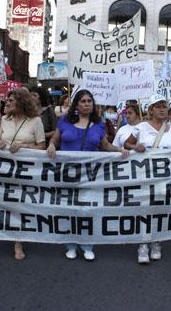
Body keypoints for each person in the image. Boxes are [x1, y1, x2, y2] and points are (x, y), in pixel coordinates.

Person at [47, 89, 128, 261]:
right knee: (69, 210)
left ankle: (87, 245)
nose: (86, 104)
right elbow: (55, 139)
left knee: (86, 210)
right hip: (67, 174)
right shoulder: (64, 122)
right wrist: (52, 146)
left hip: (90, 175)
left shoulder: (99, 125)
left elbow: (105, 146)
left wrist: (120, 150)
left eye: (89, 101)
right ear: (76, 104)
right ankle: (70, 244)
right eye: (83, 101)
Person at [124, 94, 171, 264]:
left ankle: (156, 242)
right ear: (150, 110)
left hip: (166, 176)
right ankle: (143, 244)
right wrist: (136, 146)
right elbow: (127, 144)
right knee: (145, 209)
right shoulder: (141, 127)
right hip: (145, 176)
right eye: (158, 106)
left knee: (161, 209)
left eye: (164, 106)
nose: (162, 109)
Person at [0, 88, 46, 260]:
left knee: (20, 205)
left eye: (11, 100)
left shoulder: (36, 121)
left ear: (22, 101)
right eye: (7, 100)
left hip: (26, 170)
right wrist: (0, 143)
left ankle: (18, 242)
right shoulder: (4, 119)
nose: (7, 103)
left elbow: (42, 147)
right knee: (9, 204)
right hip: (6, 170)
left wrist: (25, 147)